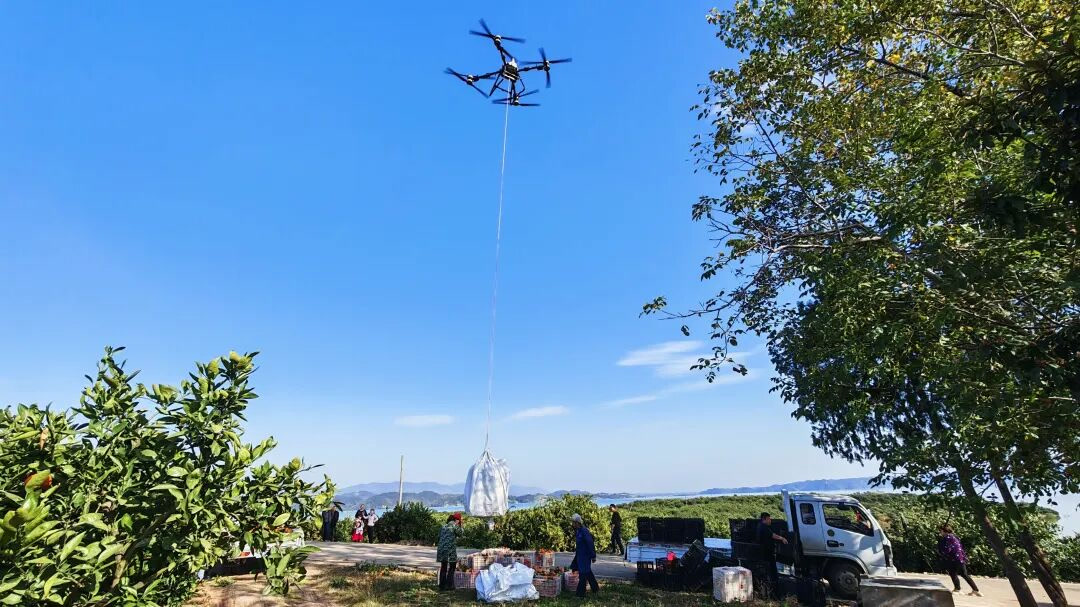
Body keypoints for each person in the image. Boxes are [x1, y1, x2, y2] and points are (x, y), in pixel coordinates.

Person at [938, 524, 981, 596]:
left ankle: (958, 589)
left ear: (943, 531)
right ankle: (976, 590)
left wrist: (941, 551)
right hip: (960, 558)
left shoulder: (947, 538)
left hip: (954, 559)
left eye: (940, 531)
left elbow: (947, 549)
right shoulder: (954, 537)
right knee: (964, 574)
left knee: (953, 573)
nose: (940, 532)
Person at [755, 512, 788, 598]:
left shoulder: (761, 526)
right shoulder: (763, 527)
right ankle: (774, 593)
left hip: (766, 553)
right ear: (765, 519)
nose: (770, 520)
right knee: (772, 572)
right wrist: (782, 538)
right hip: (767, 553)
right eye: (769, 519)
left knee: (771, 572)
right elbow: (772, 535)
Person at [571, 514, 600, 598]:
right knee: (587, 572)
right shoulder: (578, 531)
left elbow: (590, 543)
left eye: (573, 522)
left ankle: (580, 594)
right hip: (580, 555)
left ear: (577, 522)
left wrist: (593, 556)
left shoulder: (584, 531)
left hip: (585, 556)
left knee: (583, 574)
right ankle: (595, 588)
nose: (572, 524)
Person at [437, 513, 463, 591]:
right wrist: (460, 526)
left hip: (441, 549)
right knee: (452, 566)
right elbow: (461, 534)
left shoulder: (443, 526)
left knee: (443, 566)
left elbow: (439, 537)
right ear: (457, 520)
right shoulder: (455, 525)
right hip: (450, 549)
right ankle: (449, 585)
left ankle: (442, 586)